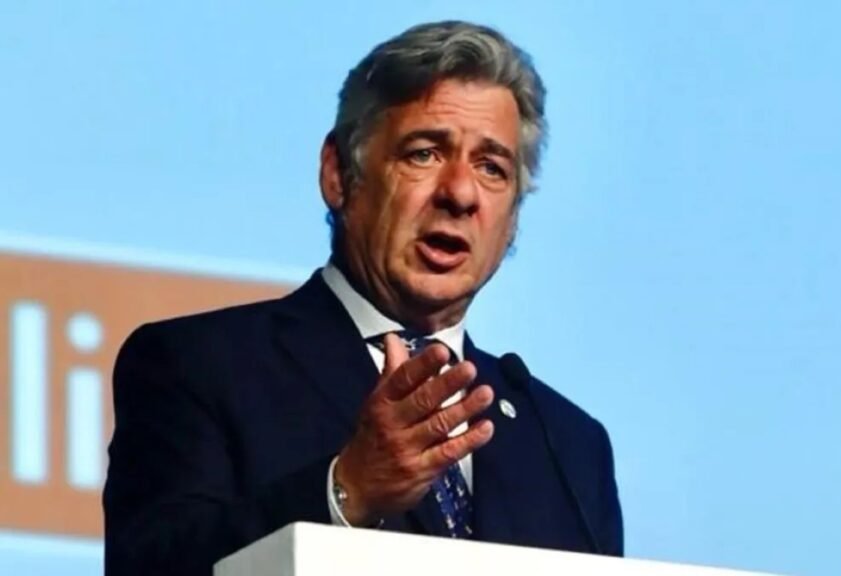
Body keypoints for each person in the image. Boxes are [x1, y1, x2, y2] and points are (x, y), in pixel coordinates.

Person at [103, 20, 623, 576]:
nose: (460, 193)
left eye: (491, 168)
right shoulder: (200, 365)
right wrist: (345, 490)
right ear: (339, 174)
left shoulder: (568, 446)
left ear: (513, 217)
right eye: (424, 153)